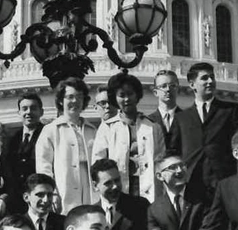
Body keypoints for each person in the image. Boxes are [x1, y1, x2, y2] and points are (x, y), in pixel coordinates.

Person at [168, 62, 238, 202]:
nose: (210, 81)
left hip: (224, 181)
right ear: (192, 85)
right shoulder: (181, 118)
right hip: (192, 185)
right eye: (204, 78)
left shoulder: (230, 110)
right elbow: (173, 151)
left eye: (212, 77)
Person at [92, 73, 165, 202]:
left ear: (137, 96)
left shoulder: (153, 127)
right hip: (118, 189)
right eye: (121, 95)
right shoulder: (107, 128)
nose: (126, 99)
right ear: (115, 98)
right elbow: (98, 162)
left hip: (149, 190)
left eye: (130, 94)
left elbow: (161, 160)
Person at [35, 77, 98, 213]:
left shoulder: (92, 131)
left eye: (79, 97)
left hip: (91, 196)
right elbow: (43, 166)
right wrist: (52, 193)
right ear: (60, 100)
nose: (75, 101)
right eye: (70, 97)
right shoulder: (51, 130)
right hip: (63, 195)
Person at [90, 159, 148, 230]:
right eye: (108, 183)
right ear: (95, 186)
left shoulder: (139, 206)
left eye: (117, 180)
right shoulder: (91, 213)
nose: (115, 187)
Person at [147, 155, 206, 230]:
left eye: (182, 165)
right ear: (159, 176)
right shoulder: (154, 210)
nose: (179, 170)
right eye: (172, 168)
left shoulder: (204, 197)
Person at [1, 93, 45, 214]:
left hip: (40, 202)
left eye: (33, 108)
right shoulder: (11, 140)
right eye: (24, 109)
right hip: (15, 204)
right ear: (19, 113)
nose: (28, 112)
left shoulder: (48, 134)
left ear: (41, 112)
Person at [146, 70, 180, 145]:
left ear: (178, 89)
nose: (168, 89)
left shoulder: (189, 119)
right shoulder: (147, 122)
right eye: (163, 86)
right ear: (155, 92)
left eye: (172, 86)